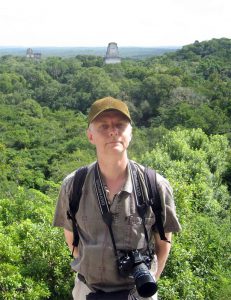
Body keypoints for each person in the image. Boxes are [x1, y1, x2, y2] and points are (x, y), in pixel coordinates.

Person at [53, 96, 181, 300]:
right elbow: (72, 239)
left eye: (120, 125)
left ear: (130, 133)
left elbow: (163, 243)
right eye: (103, 126)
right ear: (90, 136)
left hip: (137, 293)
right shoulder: (73, 185)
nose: (113, 131)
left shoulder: (154, 185)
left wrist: (150, 281)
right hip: (88, 292)